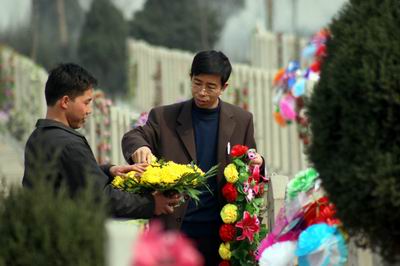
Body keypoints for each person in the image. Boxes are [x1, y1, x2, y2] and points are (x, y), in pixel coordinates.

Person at [122, 50, 264, 265]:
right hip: (176, 231)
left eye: (211, 87)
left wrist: (258, 164)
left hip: (221, 236)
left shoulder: (241, 121)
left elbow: (251, 166)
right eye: (197, 83)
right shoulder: (165, 117)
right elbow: (134, 136)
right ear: (190, 78)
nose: (202, 92)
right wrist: (140, 147)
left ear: (224, 87)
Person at [22, 63, 179, 219]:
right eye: (86, 102)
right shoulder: (69, 144)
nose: (89, 110)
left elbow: (71, 176)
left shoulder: (39, 136)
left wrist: (109, 171)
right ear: (65, 102)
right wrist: (151, 204)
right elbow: (101, 199)